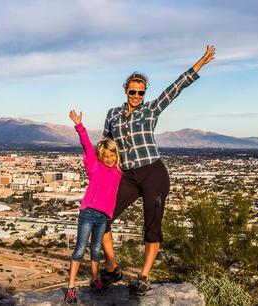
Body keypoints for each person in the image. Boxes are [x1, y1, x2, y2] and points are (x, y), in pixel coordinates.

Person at [99, 45, 216, 296]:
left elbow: (176, 88)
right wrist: (102, 167)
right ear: (125, 90)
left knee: (152, 227)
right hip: (127, 175)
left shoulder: (151, 109)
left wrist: (200, 64)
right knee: (101, 218)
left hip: (153, 172)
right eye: (133, 91)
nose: (137, 96)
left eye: (141, 92)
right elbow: (106, 146)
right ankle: (112, 267)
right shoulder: (113, 114)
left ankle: (144, 276)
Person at [64, 110, 123, 304]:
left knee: (96, 249)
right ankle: (71, 288)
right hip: (88, 213)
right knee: (80, 249)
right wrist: (80, 126)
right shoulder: (94, 166)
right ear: (100, 156)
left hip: (103, 216)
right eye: (105, 155)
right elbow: (87, 146)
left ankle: (95, 280)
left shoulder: (118, 172)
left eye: (112, 154)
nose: (109, 158)